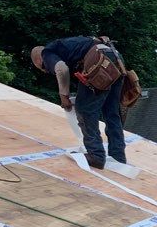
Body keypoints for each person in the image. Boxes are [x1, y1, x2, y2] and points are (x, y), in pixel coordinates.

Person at [30, 36, 127, 170]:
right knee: (111, 111)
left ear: (38, 61)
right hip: (115, 58)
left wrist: (64, 95)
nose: (46, 70)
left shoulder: (46, 53)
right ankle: (118, 157)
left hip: (98, 61)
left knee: (84, 109)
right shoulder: (69, 46)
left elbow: (61, 69)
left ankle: (96, 155)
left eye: (43, 68)